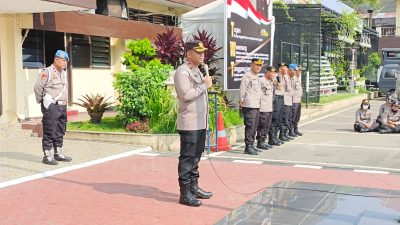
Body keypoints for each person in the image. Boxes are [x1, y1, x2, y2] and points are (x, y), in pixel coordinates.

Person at [174, 41, 213, 207]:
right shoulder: (182, 71)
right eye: (198, 52)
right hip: (189, 123)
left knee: (196, 158)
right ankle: (184, 193)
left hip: (200, 122)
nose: (202, 54)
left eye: (203, 51)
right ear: (189, 53)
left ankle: (194, 187)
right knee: (188, 159)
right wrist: (204, 85)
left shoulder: (196, 70)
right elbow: (187, 95)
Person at [34, 50, 72, 165]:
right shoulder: (47, 72)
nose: (65, 63)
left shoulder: (63, 73)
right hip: (51, 106)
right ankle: (47, 155)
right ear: (56, 60)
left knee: (60, 129)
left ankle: (58, 153)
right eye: (63, 60)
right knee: (50, 129)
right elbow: (37, 88)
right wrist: (42, 102)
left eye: (66, 61)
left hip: (62, 106)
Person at [239, 58, 263, 155]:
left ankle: (252, 145)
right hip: (249, 105)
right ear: (251, 65)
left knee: (254, 126)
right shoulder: (247, 76)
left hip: (256, 105)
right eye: (256, 65)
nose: (258, 67)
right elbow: (242, 89)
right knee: (250, 126)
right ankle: (248, 147)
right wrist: (241, 101)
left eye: (260, 65)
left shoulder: (256, 77)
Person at [256, 66, 276, 150]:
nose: (273, 74)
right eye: (272, 72)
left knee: (267, 126)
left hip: (269, 107)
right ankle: (260, 142)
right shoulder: (261, 81)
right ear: (267, 73)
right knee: (262, 126)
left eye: (274, 73)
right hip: (263, 108)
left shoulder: (271, 81)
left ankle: (263, 141)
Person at [269, 63, 287, 145]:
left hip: (281, 98)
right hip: (276, 99)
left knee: (279, 119)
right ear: (280, 69)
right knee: (275, 118)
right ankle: (271, 138)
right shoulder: (276, 76)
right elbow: (274, 86)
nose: (286, 69)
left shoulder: (282, 77)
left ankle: (275, 137)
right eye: (285, 68)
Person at [290, 65, 303, 136]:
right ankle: (291, 130)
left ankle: (295, 129)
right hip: (294, 101)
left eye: (300, 70)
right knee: (293, 116)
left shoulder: (297, 78)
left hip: (298, 100)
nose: (300, 72)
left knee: (297, 116)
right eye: (299, 70)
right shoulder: (293, 79)